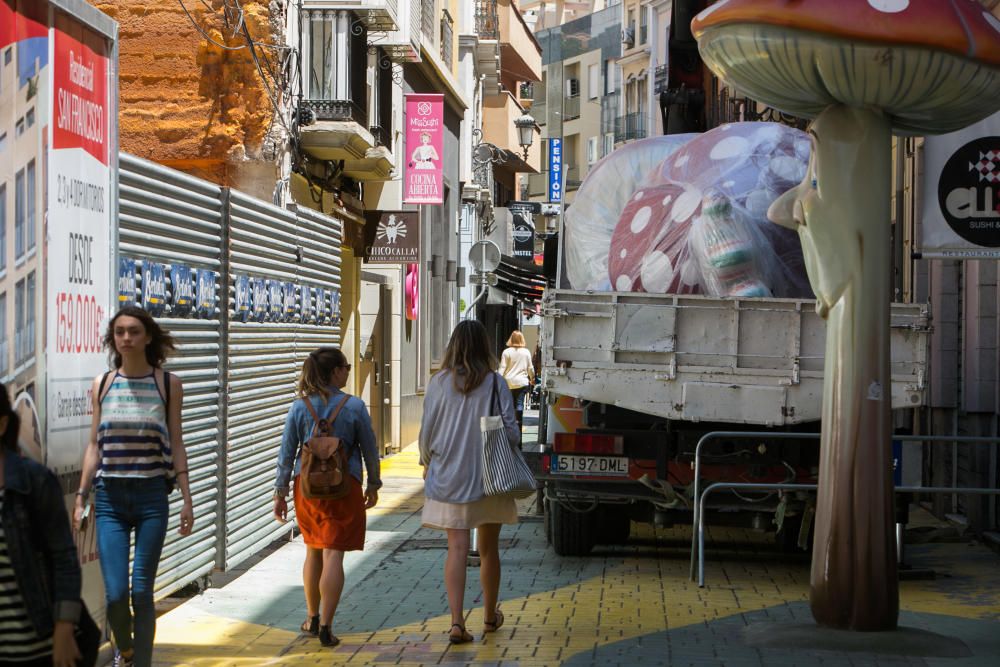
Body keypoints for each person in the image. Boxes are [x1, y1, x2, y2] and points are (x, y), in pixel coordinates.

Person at [74, 306, 194, 667]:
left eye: (134, 331)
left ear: (148, 337)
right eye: (120, 332)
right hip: (109, 497)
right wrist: (81, 497)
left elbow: (176, 440)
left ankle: (139, 662)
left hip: (152, 498)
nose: (126, 338)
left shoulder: (167, 385)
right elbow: (94, 445)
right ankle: (125, 651)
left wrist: (188, 500)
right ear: (113, 339)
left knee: (142, 591)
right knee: (114, 594)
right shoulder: (103, 384)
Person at [273, 347, 382, 648]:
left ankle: (311, 617)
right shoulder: (355, 406)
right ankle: (328, 625)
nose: (348, 370)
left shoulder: (299, 408)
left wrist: (280, 493)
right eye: (346, 366)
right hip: (344, 486)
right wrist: (373, 483)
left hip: (306, 488)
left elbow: (286, 454)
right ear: (335, 372)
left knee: (313, 550)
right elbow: (370, 450)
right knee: (334, 552)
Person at [419, 320, 520, 644]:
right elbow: (513, 433)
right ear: (484, 347)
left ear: (453, 345)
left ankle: (457, 623)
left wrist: (427, 461)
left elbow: (427, 432)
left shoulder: (438, 383)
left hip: (450, 474)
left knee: (457, 549)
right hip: (490, 476)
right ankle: (490, 617)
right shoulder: (495, 383)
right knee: (489, 550)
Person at [1, 382, 95, 667]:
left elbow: (64, 557)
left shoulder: (34, 483)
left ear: (2, 424)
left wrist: (64, 628)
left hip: (40, 647)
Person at [498, 330, 534, 429]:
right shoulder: (526, 352)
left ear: (511, 339)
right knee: (519, 403)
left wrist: (498, 380)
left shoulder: (506, 352)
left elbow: (502, 368)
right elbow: (530, 368)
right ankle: (518, 422)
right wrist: (532, 378)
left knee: (508, 404)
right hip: (522, 382)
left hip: (508, 383)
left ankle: (509, 424)